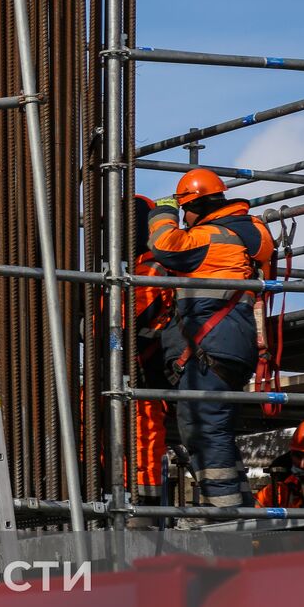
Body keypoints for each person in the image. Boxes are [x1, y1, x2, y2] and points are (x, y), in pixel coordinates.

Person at [149, 168, 273, 508]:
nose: (184, 219)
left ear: (197, 205)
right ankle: (239, 506)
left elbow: (164, 245)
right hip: (231, 346)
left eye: (184, 210)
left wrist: (162, 213)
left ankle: (225, 515)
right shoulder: (247, 232)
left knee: (205, 430)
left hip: (211, 348)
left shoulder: (212, 236)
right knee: (217, 431)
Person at [132, 195, 176, 504]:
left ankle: (146, 507)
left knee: (145, 437)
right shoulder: (141, 268)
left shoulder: (151, 269)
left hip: (147, 372)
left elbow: (127, 320)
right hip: (141, 368)